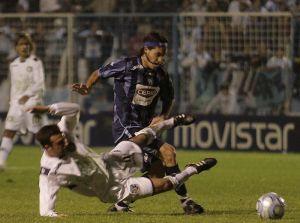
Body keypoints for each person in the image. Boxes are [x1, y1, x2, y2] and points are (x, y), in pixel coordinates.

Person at [72, 32, 205, 214]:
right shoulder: (126, 65)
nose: (161, 58)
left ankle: (121, 203)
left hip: (147, 129)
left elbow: (169, 98)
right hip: (125, 128)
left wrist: (163, 115)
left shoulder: (162, 75)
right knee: (168, 152)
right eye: (158, 53)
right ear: (146, 50)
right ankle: (186, 201)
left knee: (158, 172)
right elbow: (99, 73)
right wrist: (87, 86)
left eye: (164, 54)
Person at [31, 101, 217, 217]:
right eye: (58, 143)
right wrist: (55, 215)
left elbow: (73, 109)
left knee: (141, 138)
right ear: (47, 147)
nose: (64, 143)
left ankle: (172, 122)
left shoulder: (64, 134)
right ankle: (193, 169)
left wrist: (50, 108)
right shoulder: (50, 171)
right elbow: (45, 210)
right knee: (167, 185)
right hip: (114, 189)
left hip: (110, 161)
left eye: (62, 139)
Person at [0, 33, 46, 170]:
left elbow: (40, 85)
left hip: (32, 103)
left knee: (40, 134)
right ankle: (1, 162)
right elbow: (14, 85)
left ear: (30, 46)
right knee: (9, 131)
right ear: (16, 47)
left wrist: (27, 95)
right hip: (16, 105)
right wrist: (12, 101)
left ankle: (50, 162)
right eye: (21, 44)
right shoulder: (13, 64)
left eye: (26, 44)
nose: (24, 47)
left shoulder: (36, 62)